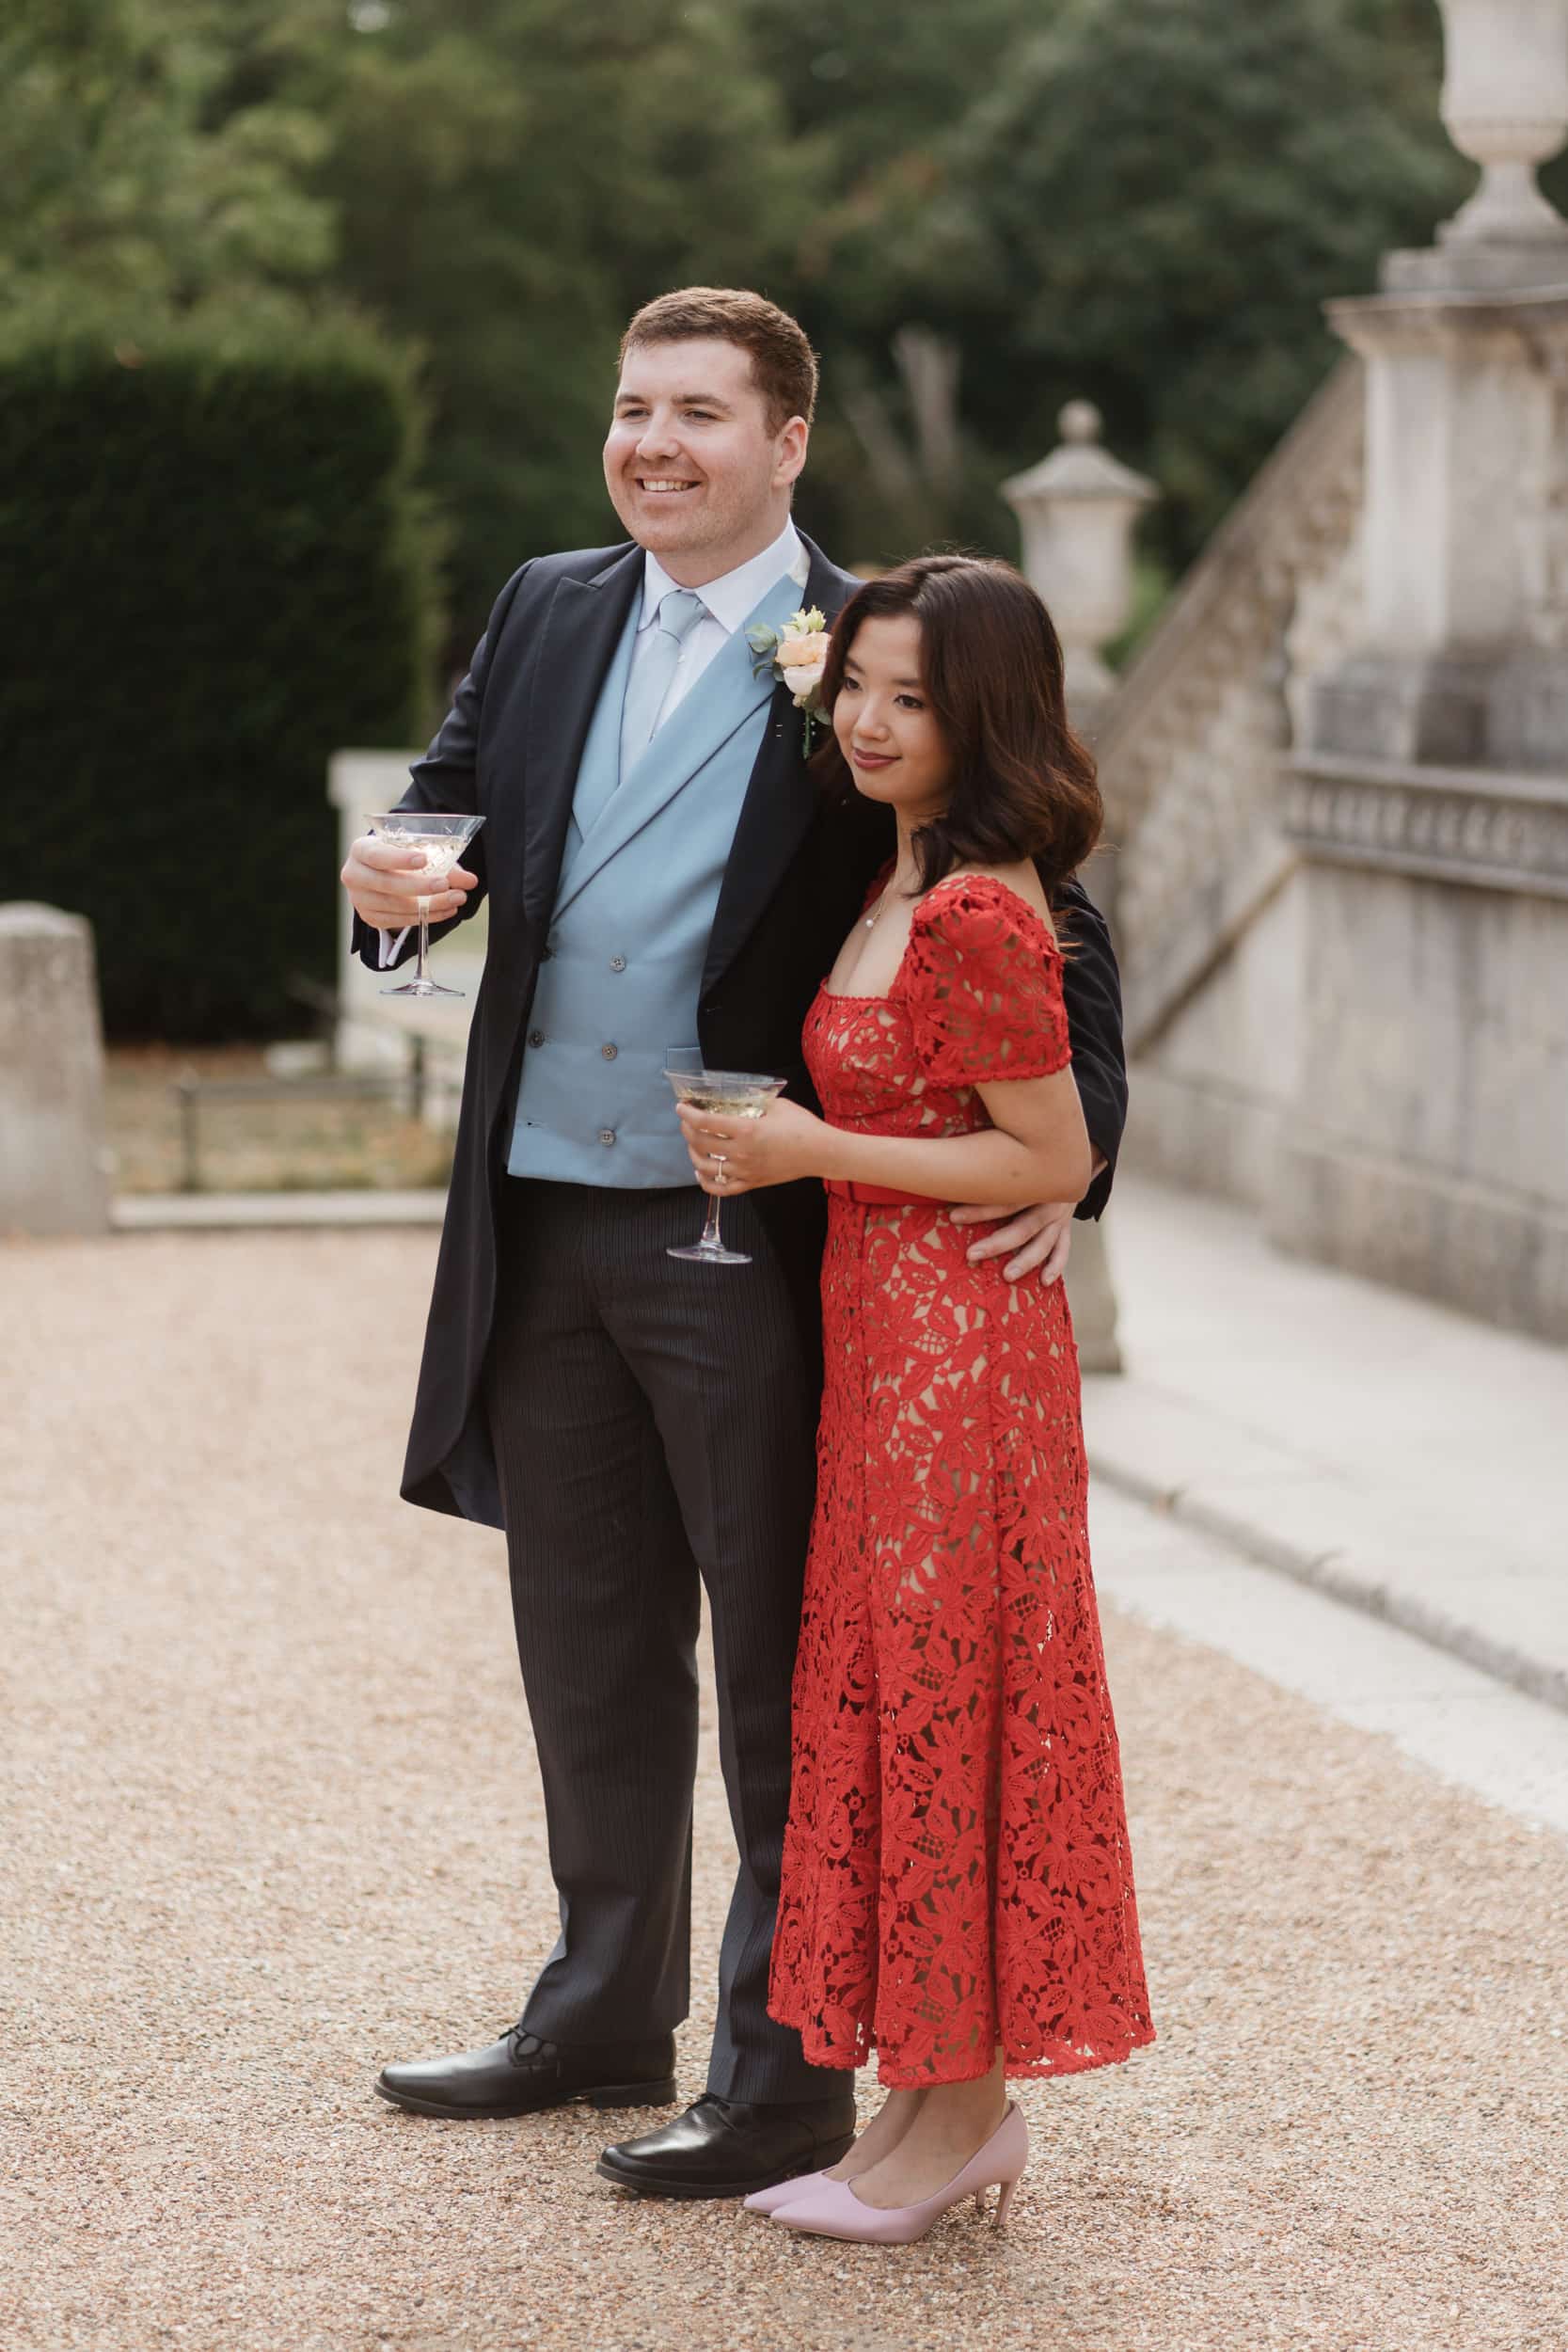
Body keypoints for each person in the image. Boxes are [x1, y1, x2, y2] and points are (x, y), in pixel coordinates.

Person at [341, 289, 1131, 2201]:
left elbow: (1044, 897)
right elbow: (444, 813)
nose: (653, 443)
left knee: (791, 1659)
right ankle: (596, 2009)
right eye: (634, 407)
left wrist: (1072, 1149)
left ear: (788, 441)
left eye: (699, 411)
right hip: (543, 1207)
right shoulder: (547, 606)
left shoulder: (878, 653)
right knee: (589, 1634)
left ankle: (779, 2073)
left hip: (757, 1248)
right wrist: (389, 890)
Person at [673, 555, 1154, 2242]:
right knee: (896, 1696)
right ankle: (926, 2104)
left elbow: (1051, 1153)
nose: (872, 724)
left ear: (986, 717)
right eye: (858, 689)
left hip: (964, 1363)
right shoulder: (897, 875)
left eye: (914, 700)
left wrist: (809, 1147)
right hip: (886, 1345)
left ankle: (959, 2119)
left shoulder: (972, 909)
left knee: (957, 1701)